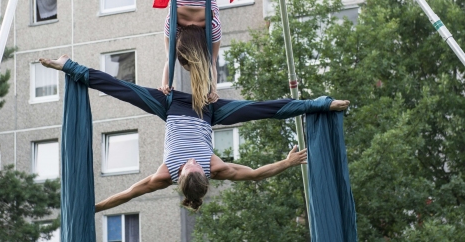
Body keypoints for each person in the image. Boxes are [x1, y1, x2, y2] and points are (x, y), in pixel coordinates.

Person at [39, 55, 349, 212]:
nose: (190, 161)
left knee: (124, 91)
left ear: (179, 176)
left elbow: (129, 193)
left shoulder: (165, 175)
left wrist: (93, 207)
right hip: (207, 111)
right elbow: (254, 174)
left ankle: (70, 66)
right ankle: (322, 104)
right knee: (262, 108)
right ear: (203, 171)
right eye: (194, 164)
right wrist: (287, 163)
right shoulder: (216, 168)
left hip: (171, 106)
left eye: (186, 166)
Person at [105, 0, 310, 102]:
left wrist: (213, 89)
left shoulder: (211, 25)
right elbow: (170, 59)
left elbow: (211, 61)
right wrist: (165, 85)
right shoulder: (173, 24)